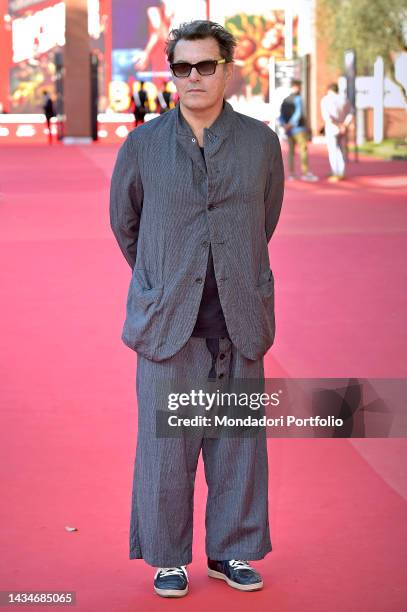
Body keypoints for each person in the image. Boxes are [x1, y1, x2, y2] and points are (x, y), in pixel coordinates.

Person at [110, 20, 284, 598]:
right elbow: (125, 225)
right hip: (168, 324)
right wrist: (164, 280)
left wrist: (238, 270)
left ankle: (231, 551)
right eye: (181, 67)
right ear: (172, 73)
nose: (192, 78)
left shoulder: (261, 142)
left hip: (241, 319)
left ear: (227, 70)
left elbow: (267, 216)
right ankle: (166, 557)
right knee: (165, 451)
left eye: (204, 66)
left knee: (238, 447)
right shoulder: (143, 145)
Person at [279, 79, 318, 181]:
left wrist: (285, 125)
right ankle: (305, 173)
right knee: (303, 150)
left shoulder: (285, 100)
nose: (299, 88)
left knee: (291, 152)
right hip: (299, 129)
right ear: (295, 87)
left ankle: (292, 174)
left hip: (289, 130)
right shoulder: (298, 98)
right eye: (299, 86)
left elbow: (281, 115)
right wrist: (291, 124)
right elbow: (298, 113)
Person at [320, 83, 353, 181]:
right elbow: (351, 113)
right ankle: (341, 171)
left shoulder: (325, 100)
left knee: (333, 150)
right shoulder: (344, 99)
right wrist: (345, 125)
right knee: (342, 150)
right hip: (343, 128)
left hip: (332, 128)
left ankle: (335, 172)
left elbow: (327, 117)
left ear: (329, 89)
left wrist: (338, 125)